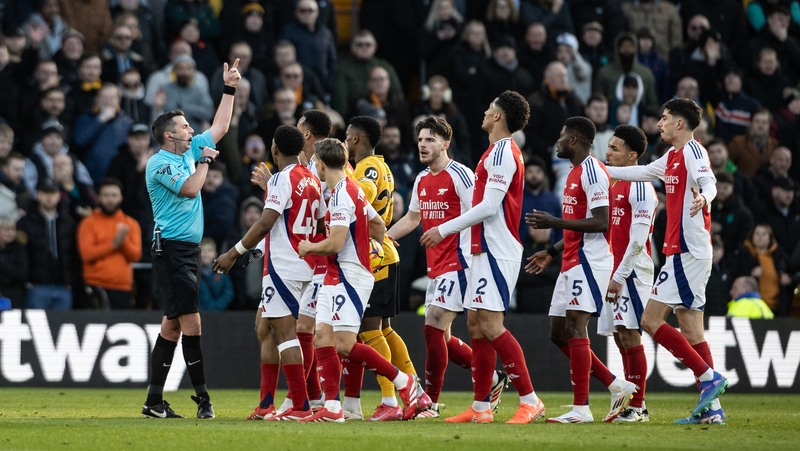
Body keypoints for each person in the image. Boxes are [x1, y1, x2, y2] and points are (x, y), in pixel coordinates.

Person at [420, 90, 545, 424]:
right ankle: (480, 408)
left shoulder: (503, 152)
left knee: (490, 324)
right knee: (475, 325)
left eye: (490, 108)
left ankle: (531, 399)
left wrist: (444, 229)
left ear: (499, 117)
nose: (486, 112)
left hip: (498, 249)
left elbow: (489, 207)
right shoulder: (493, 151)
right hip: (481, 249)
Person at [602, 98, 727, 424]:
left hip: (688, 250)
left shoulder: (693, 152)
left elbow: (709, 181)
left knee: (649, 320)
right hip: (686, 251)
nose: (659, 124)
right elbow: (642, 171)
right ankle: (712, 411)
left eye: (665, 118)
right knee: (691, 329)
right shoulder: (672, 157)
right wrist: (597, 168)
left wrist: (704, 196)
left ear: (680, 124)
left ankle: (707, 376)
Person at [387, 116, 508, 418]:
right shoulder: (421, 179)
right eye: (420, 141)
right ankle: (492, 378)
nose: (423, 145)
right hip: (436, 265)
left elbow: (481, 212)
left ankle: (430, 402)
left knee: (432, 327)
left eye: (429, 140)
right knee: (443, 338)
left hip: (461, 261)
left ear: (445, 143)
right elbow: (413, 219)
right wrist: (385, 238)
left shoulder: (461, 175)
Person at [141, 58, 241, 420]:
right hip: (170, 249)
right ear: (170, 135)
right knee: (191, 322)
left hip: (186, 250)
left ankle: (154, 401)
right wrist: (205, 163)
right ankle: (204, 400)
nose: (191, 129)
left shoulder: (190, 150)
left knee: (172, 324)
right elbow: (189, 189)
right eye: (184, 126)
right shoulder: (161, 162)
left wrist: (228, 87)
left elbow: (221, 125)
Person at [297, 138, 423, 423]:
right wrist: (378, 244)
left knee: (344, 344)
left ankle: (404, 382)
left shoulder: (342, 194)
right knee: (322, 338)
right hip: (336, 273)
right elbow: (377, 224)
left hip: (350, 274)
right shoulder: (350, 188)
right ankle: (331, 407)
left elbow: (336, 243)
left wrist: (309, 247)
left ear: (319, 163)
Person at [525, 117, 637, 424]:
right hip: (572, 259)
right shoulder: (574, 173)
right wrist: (551, 251)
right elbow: (579, 227)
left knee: (576, 327)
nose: (558, 142)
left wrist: (554, 223)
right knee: (558, 332)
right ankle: (615, 385)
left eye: (562, 137)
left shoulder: (592, 172)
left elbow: (601, 222)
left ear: (574, 139)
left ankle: (581, 409)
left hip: (591, 261)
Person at [213, 125, 323, 421]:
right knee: (264, 326)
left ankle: (300, 405)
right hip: (305, 263)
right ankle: (265, 403)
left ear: (275, 149)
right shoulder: (312, 179)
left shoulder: (283, 179)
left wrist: (233, 253)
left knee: (285, 334)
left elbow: (265, 222)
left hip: (283, 267)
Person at [346, 115, 423, 421]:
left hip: (373, 256)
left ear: (355, 139)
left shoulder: (366, 168)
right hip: (384, 252)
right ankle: (418, 392)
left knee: (369, 329)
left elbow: (356, 201)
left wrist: (339, 174)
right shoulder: (383, 166)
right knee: (384, 329)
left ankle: (391, 400)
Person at [601, 124, 657, 422]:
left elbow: (638, 240)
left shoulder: (640, 186)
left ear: (632, 155)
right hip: (614, 270)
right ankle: (630, 401)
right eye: (608, 147)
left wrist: (620, 275)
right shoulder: (614, 183)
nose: (607, 152)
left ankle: (639, 406)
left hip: (632, 272)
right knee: (621, 336)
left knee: (631, 335)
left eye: (614, 149)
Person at [77, 178, 142, 309]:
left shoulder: (131, 224)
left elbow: (136, 256)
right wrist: (113, 244)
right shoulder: (88, 223)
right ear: (98, 197)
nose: (110, 199)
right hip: (95, 286)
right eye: (106, 195)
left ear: (121, 197)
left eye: (114, 195)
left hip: (122, 287)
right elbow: (87, 254)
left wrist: (122, 243)